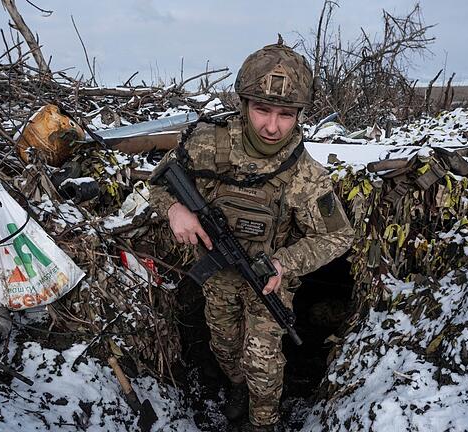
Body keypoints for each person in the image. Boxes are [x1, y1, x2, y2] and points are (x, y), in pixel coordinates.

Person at [149, 39, 354, 431]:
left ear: (299, 115)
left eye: (286, 114)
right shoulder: (207, 143)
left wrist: (284, 262)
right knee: (225, 348)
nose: (272, 126)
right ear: (243, 103)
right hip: (218, 279)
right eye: (262, 109)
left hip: (268, 283)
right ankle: (236, 389)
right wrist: (174, 209)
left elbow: (337, 237)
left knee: (263, 363)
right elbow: (160, 181)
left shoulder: (306, 176)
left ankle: (264, 422)